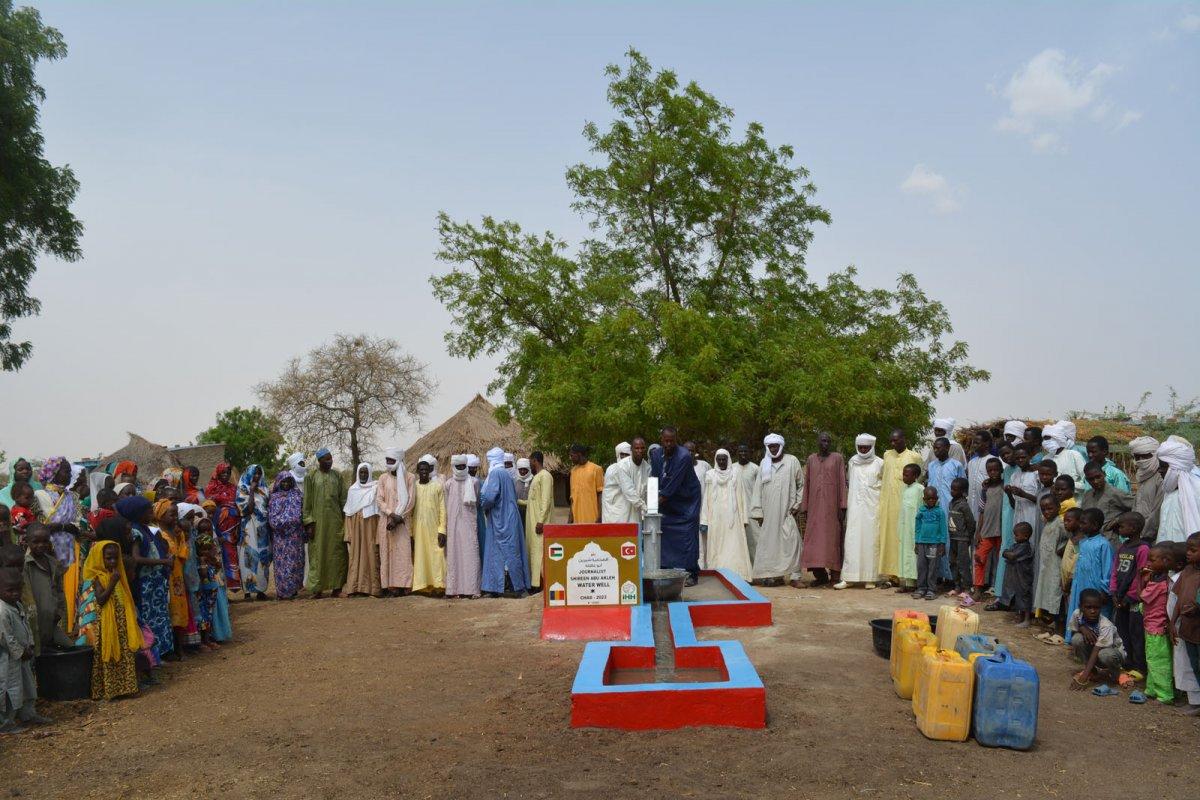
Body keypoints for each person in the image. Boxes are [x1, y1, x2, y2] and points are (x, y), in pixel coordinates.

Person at [75, 541, 141, 700]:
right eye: (108, 558)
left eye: (115, 558)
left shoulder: (117, 573)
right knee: (109, 652)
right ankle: (110, 690)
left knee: (124, 652)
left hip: (120, 623)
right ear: (100, 558)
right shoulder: (98, 577)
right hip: (106, 624)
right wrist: (112, 582)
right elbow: (101, 599)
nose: (113, 561)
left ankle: (126, 687)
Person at [120, 495, 173, 669]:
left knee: (159, 616)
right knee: (150, 618)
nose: (152, 514)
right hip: (146, 582)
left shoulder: (145, 529)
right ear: (137, 513)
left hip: (154, 580)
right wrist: (163, 562)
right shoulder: (136, 532)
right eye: (148, 511)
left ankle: (161, 653)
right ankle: (153, 656)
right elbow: (137, 558)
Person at [0, 569, 52, 731]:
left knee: (28, 685)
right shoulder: (2, 611)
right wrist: (20, 652)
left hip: (23, 655)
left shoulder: (17, 605)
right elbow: (6, 636)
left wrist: (30, 644)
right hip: (9, 659)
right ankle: (6, 722)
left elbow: (26, 626)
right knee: (10, 689)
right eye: (10, 590)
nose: (15, 593)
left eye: (18, 589)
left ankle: (28, 714)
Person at [652, 427, 704, 585]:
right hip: (668, 500)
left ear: (676, 440)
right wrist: (651, 498)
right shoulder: (655, 454)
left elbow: (674, 483)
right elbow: (654, 478)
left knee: (688, 536)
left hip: (687, 500)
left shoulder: (684, 456)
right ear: (661, 440)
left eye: (672, 441)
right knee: (664, 532)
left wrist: (654, 503)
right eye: (666, 441)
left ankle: (691, 572)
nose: (668, 444)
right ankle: (665, 570)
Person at [750, 432, 802, 587]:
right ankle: (776, 576)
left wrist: (797, 505)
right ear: (767, 447)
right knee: (771, 545)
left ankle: (795, 577)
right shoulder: (764, 463)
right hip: (769, 513)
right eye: (770, 446)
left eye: (776, 446)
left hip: (787, 511)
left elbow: (801, 484)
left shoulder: (792, 461)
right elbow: (758, 489)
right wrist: (758, 512)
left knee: (793, 542)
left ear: (781, 446)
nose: (773, 449)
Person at [480, 447, 531, 597]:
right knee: (513, 552)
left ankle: (496, 588)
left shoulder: (495, 473)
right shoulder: (508, 474)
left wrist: (483, 505)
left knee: (496, 554)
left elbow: (490, 497)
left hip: (500, 519)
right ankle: (518, 588)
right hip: (510, 517)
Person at [800, 432, 848, 586]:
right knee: (814, 542)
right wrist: (805, 507)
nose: (825, 444)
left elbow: (842, 482)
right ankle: (820, 576)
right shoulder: (811, 459)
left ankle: (835, 576)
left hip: (832, 508)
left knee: (832, 540)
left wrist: (843, 506)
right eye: (822, 441)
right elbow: (807, 483)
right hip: (814, 508)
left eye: (827, 441)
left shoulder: (837, 458)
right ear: (818, 442)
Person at [995, 444, 1040, 605]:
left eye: (1023, 457)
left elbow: (1040, 499)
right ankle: (1016, 600)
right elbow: (1014, 504)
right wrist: (1009, 494)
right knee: (1020, 560)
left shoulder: (1036, 475)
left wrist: (1024, 494)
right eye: (1018, 458)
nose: (1020, 460)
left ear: (1029, 457)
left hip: (1033, 517)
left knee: (1032, 554)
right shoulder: (1014, 475)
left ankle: (1031, 601)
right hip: (1019, 518)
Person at [876, 430, 922, 588]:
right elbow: (882, 475)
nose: (893, 443)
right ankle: (892, 576)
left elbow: (919, 478)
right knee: (890, 539)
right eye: (891, 441)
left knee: (907, 540)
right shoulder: (887, 455)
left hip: (907, 506)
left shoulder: (914, 456)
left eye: (896, 440)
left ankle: (909, 577)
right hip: (889, 505)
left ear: (904, 439)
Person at [837, 434, 883, 590]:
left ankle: (870, 578)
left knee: (871, 542)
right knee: (852, 541)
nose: (863, 450)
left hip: (872, 509)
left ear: (872, 447)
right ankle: (849, 578)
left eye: (866, 447)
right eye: (861, 447)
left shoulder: (879, 463)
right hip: (855, 508)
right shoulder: (852, 462)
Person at [1106, 510, 1149, 673]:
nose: (1119, 529)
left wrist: (1130, 597)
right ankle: (1126, 662)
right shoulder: (1122, 547)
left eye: (1122, 526)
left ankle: (1139, 667)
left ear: (1134, 528)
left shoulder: (1143, 549)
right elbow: (1115, 571)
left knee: (1136, 633)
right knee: (1122, 631)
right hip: (1120, 598)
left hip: (1133, 601)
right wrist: (1114, 592)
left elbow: (1141, 575)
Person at [700, 449, 752, 580]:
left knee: (734, 546)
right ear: (716, 460)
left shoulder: (735, 474)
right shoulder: (710, 475)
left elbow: (741, 496)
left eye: (724, 459)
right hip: (715, 516)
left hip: (733, 517)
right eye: (719, 459)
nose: (722, 462)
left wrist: (744, 519)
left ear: (728, 460)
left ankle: (737, 575)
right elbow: (706, 499)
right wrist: (704, 520)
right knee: (716, 546)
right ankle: (717, 574)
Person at [303, 448, 349, 599]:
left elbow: (343, 500)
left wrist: (345, 520)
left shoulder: (337, 476)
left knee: (337, 554)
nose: (330, 462)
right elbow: (307, 502)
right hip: (318, 523)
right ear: (319, 461)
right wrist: (308, 522)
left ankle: (337, 588)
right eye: (326, 459)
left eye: (331, 459)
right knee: (318, 554)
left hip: (335, 522)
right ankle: (317, 589)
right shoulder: (311, 477)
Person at [1065, 508, 1115, 644]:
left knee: (1097, 616)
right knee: (1080, 613)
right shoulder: (1083, 542)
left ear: (1095, 525)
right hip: (1080, 585)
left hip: (1096, 589)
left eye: (1083, 523)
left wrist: (1104, 591)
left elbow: (1108, 570)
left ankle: (1097, 645)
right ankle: (1077, 642)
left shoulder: (1104, 544)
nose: (1080, 526)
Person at [22, 526, 72, 652]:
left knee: (69, 648)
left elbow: (59, 590)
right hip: (34, 620)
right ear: (27, 541)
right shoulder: (25, 564)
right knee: (37, 651)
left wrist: (60, 611)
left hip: (52, 619)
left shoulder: (53, 563)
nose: (41, 545)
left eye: (45, 541)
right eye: (36, 542)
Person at [155, 500, 194, 659]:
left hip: (177, 577)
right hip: (165, 578)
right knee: (168, 610)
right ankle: (169, 649)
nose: (175, 518)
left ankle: (179, 647)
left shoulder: (178, 534)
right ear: (160, 516)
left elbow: (183, 555)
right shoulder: (158, 534)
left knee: (180, 610)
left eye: (176, 514)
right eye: (171, 515)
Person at [1068, 588, 1125, 690]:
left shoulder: (1105, 625)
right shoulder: (1077, 614)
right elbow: (1073, 632)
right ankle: (1092, 671)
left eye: (1096, 608)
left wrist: (1083, 678)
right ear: (1081, 607)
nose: (1093, 611)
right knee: (1076, 639)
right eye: (1088, 607)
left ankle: (1117, 673)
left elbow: (1096, 650)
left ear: (1101, 607)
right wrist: (1082, 628)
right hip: (1096, 654)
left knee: (1104, 654)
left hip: (1112, 655)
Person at [1167, 540, 1200, 715]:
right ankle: (1197, 702)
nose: (1188, 553)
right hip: (1187, 629)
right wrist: (1173, 622)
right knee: (1194, 666)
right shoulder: (1187, 571)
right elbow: (1178, 599)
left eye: (1193, 550)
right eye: (1188, 549)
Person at [1139, 542, 1175, 704]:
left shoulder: (1159, 584)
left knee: (1158, 660)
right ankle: (1152, 688)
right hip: (1152, 625)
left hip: (1156, 628)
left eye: (1152, 560)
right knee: (1152, 658)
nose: (1149, 563)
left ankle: (1164, 693)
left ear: (1165, 561)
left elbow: (1142, 596)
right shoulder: (1161, 580)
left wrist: (1142, 579)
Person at [377, 448, 415, 597]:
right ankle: (390, 586)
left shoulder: (409, 477)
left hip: (402, 522)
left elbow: (411, 501)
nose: (388, 463)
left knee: (403, 554)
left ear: (399, 461)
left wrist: (399, 517)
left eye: (391, 461)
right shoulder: (382, 478)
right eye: (387, 460)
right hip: (387, 521)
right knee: (387, 553)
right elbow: (379, 499)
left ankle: (404, 585)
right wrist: (391, 514)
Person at [340, 463, 381, 598]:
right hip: (356, 528)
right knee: (355, 556)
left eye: (365, 473)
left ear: (369, 474)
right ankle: (354, 587)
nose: (363, 475)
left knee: (371, 555)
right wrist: (349, 534)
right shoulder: (353, 490)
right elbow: (348, 514)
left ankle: (371, 588)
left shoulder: (375, 488)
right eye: (361, 473)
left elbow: (378, 512)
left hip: (371, 527)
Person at [444, 455, 482, 598]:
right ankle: (454, 589)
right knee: (454, 554)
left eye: (462, 466)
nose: (460, 469)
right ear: (453, 467)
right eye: (458, 466)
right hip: (453, 524)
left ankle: (472, 589)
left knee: (470, 553)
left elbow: (477, 500)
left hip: (469, 523)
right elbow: (446, 503)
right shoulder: (448, 484)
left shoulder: (474, 482)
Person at [411, 457, 447, 595]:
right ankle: (423, 586)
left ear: (430, 471)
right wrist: (411, 532)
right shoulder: (413, 487)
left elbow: (443, 510)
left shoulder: (437, 486)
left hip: (434, 529)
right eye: (421, 470)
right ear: (418, 471)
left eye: (426, 469)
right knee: (421, 557)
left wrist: (442, 530)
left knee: (437, 555)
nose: (424, 472)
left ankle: (439, 585)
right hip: (418, 529)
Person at [267, 472, 306, 600]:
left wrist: (293, 522)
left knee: (295, 563)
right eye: (283, 481)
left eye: (288, 481)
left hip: (295, 537)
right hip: (280, 537)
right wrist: (289, 522)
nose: (285, 484)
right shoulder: (274, 498)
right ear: (278, 482)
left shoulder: (297, 496)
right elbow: (272, 519)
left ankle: (293, 590)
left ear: (292, 482)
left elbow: (301, 514)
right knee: (281, 564)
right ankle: (282, 592)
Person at [971, 458, 1004, 603]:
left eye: (996, 470)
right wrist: (978, 532)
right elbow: (981, 511)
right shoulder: (985, 489)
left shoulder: (1005, 486)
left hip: (1002, 531)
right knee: (979, 558)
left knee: (1002, 561)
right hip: (987, 531)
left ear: (1001, 470)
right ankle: (978, 589)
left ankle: (1000, 591)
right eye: (990, 470)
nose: (993, 473)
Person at [235, 465, 271, 601]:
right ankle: (248, 591)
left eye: (259, 473)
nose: (257, 476)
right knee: (248, 558)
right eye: (254, 473)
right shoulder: (242, 489)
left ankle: (261, 590)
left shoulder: (264, 489)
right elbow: (247, 510)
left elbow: (268, 507)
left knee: (262, 558)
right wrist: (251, 491)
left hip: (262, 529)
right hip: (248, 528)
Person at [205, 462, 241, 591]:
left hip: (235, 527)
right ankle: (224, 589)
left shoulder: (234, 488)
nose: (226, 475)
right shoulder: (211, 488)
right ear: (218, 473)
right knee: (222, 556)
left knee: (234, 555)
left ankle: (235, 585)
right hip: (219, 528)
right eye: (223, 473)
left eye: (228, 473)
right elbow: (209, 508)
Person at [1156, 437, 1200, 543]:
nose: (1159, 471)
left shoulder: (1196, 491)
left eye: (1163, 467)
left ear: (1175, 468)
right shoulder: (1169, 493)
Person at [522, 452, 554, 591]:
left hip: (540, 524)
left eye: (530, 461)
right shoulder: (536, 477)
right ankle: (534, 584)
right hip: (533, 523)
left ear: (535, 461)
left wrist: (541, 521)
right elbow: (533, 501)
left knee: (540, 554)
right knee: (534, 553)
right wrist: (517, 501)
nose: (529, 464)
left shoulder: (545, 476)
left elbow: (546, 500)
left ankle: (541, 585)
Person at [1033, 494, 1067, 623]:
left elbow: (1073, 538)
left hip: (1056, 567)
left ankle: (1059, 627)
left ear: (1058, 507)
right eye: (1043, 509)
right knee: (1047, 594)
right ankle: (1052, 623)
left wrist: (1063, 548)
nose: (1046, 512)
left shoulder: (1061, 524)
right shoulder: (1048, 522)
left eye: (1050, 508)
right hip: (1046, 566)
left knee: (1056, 597)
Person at [1080, 461, 1133, 541]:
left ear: (1104, 474)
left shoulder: (1115, 493)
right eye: (1091, 479)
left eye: (1098, 477)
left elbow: (1136, 507)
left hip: (1109, 540)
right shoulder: (1087, 495)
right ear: (1087, 480)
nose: (1095, 481)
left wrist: (1118, 520)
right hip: (1088, 540)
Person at [893, 463, 924, 593]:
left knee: (913, 554)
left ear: (915, 476)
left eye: (907, 475)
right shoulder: (904, 488)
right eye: (903, 474)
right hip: (904, 527)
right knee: (904, 553)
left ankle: (915, 583)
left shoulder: (920, 489)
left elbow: (921, 508)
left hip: (914, 528)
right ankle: (906, 582)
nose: (904, 477)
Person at [195, 535, 232, 643]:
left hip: (214, 593)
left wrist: (213, 560)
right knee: (206, 616)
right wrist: (203, 562)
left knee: (214, 615)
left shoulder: (212, 561)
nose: (206, 552)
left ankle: (216, 636)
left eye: (209, 549)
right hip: (205, 594)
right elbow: (203, 574)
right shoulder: (200, 562)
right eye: (203, 549)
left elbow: (218, 568)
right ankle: (207, 639)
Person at [913, 485, 946, 601]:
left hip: (934, 544)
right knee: (921, 566)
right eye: (929, 498)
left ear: (937, 498)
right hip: (922, 543)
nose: (931, 500)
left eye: (933, 498)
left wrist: (942, 544)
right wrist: (916, 542)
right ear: (924, 499)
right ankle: (921, 588)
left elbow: (943, 529)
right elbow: (917, 527)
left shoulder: (940, 512)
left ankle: (931, 589)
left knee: (933, 567)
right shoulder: (921, 511)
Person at [1128, 436, 1163, 540]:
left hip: (1151, 537)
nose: (1141, 460)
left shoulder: (1160, 478)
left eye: (1145, 456)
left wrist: (1144, 535)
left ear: (1155, 455)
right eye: (1137, 457)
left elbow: (1156, 513)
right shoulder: (1142, 477)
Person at [732, 444, 762, 561]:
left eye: (745, 451)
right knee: (738, 541)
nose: (743, 454)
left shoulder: (755, 468)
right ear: (737, 453)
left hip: (752, 511)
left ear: (749, 453)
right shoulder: (732, 468)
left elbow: (760, 490)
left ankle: (757, 568)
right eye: (740, 451)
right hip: (736, 511)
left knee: (755, 540)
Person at [946, 477, 976, 595]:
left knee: (963, 563)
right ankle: (957, 586)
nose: (952, 491)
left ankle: (967, 588)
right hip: (953, 538)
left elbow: (971, 523)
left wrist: (968, 537)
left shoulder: (964, 505)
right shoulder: (951, 503)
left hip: (962, 539)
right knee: (953, 562)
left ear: (963, 492)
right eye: (951, 489)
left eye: (955, 490)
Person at [1002, 522, 1034, 627]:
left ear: (1025, 536)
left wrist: (1006, 553)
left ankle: (1027, 619)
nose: (1014, 537)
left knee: (1025, 595)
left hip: (1024, 576)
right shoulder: (1017, 545)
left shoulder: (1025, 547)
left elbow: (1011, 555)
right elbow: (1007, 553)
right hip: (1017, 575)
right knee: (1018, 596)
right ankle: (1020, 617)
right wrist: (1006, 553)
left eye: (1016, 535)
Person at [1042, 423, 1087, 496]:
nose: (1045, 442)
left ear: (1057, 438)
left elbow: (1086, 481)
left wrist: (1065, 485)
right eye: (1044, 439)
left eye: (1047, 439)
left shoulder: (1073, 455)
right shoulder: (1046, 458)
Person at [568, 444, 604, 524]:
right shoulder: (573, 471)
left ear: (579, 454)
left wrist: (600, 516)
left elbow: (600, 494)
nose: (570, 458)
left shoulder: (596, 469)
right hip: (577, 520)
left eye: (572, 455)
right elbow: (572, 498)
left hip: (593, 518)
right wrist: (570, 519)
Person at [602, 442, 637, 523]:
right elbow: (629, 491)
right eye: (622, 455)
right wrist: (644, 506)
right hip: (614, 509)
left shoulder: (631, 469)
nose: (624, 457)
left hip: (624, 508)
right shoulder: (614, 468)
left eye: (626, 455)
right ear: (618, 455)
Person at [966, 430, 993, 522]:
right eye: (973, 443)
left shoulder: (993, 461)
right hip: (971, 505)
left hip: (987, 504)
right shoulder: (971, 462)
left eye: (977, 443)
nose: (974, 445)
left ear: (986, 444)